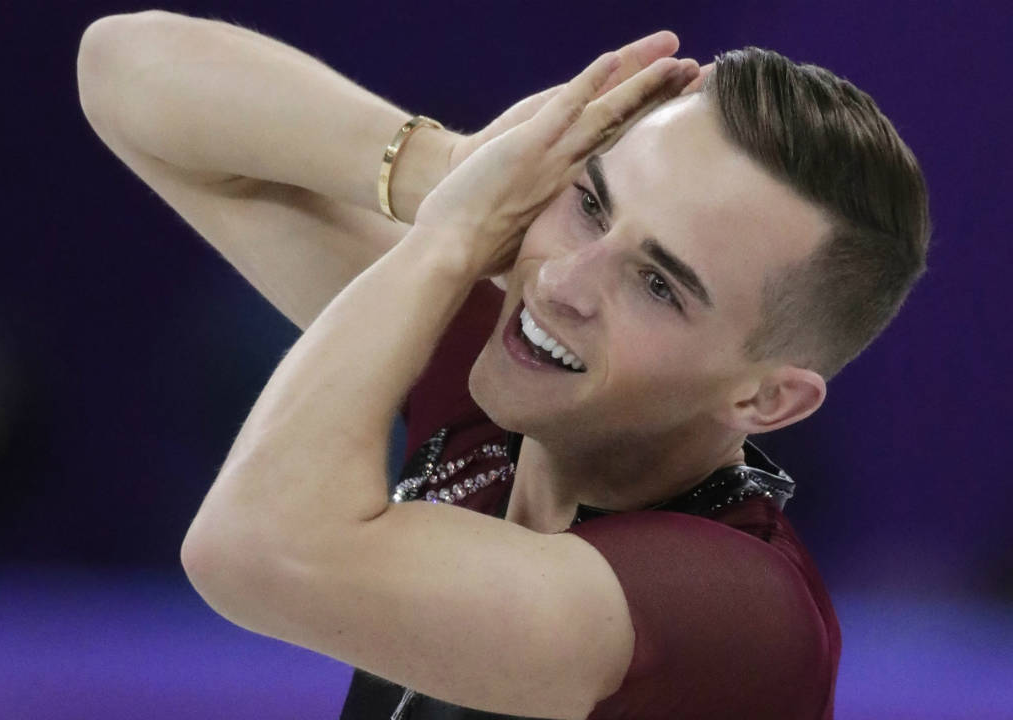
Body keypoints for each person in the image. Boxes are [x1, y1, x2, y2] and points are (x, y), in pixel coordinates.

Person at [77, 11, 928, 719]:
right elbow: (123, 70)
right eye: (590, 203)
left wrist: (451, 237)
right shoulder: (515, 399)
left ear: (767, 398)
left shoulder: (737, 613)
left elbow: (252, 552)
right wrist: (442, 170)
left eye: (660, 287)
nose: (560, 282)